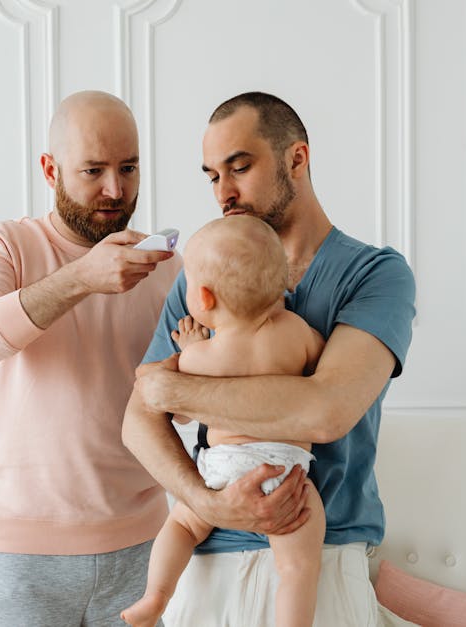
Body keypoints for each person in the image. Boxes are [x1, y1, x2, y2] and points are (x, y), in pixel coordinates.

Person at [121, 92, 417, 626]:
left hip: (319, 557)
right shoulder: (202, 274)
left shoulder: (374, 275)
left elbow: (325, 411)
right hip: (206, 561)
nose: (224, 193)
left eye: (240, 167)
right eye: (212, 176)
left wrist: (172, 390)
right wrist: (207, 503)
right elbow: (136, 422)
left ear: (296, 159)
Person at [0, 90, 181, 627]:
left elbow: (183, 410)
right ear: (51, 170)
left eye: (129, 168)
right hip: (22, 551)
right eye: (93, 170)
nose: (115, 190)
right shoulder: (6, 244)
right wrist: (80, 278)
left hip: (142, 544)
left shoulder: (165, 267)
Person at [121, 215, 326, 627]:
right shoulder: (296, 331)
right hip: (283, 469)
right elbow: (322, 368)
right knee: (298, 568)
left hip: (220, 470)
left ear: (205, 298)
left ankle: (155, 598)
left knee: (181, 523)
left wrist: (193, 351)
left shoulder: (199, 357)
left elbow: (172, 404)